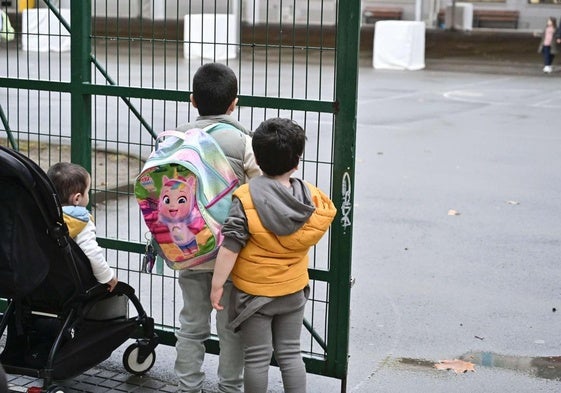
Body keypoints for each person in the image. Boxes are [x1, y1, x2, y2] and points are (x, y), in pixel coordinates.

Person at [210, 118, 337, 393]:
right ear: (297, 161)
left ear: (256, 157)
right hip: (293, 291)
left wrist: (217, 284)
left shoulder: (245, 198)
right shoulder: (309, 198)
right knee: (291, 354)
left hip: (255, 295)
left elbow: (231, 246)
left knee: (256, 357)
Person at [174, 63, 261, 393]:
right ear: (234, 102)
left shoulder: (177, 138)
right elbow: (259, 195)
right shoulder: (244, 143)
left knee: (191, 325)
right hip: (231, 254)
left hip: (188, 247)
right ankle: (229, 388)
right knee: (231, 329)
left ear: (193, 100)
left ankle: (188, 387)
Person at [47, 162, 118, 292]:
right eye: (87, 192)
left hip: (42, 280)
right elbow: (91, 252)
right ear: (77, 198)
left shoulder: (44, 215)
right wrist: (108, 277)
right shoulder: (80, 221)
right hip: (71, 284)